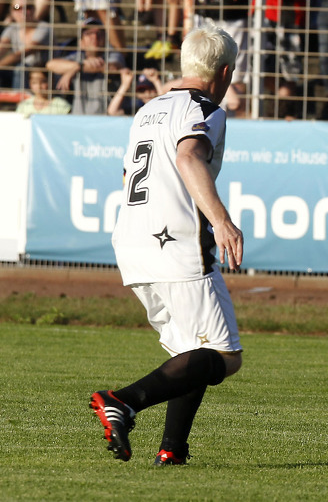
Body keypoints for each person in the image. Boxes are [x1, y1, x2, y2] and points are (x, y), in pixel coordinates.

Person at [91, 24, 244, 466]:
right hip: (175, 244)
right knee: (224, 356)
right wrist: (222, 221)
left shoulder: (148, 109)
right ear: (225, 70)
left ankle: (172, 449)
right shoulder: (206, 107)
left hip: (133, 241)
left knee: (190, 351)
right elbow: (187, 155)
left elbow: (126, 177)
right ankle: (124, 400)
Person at [46, 17, 127, 115]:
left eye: (99, 33)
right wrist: (79, 66)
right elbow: (51, 64)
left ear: (105, 39)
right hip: (78, 118)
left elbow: (113, 68)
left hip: (106, 118)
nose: (95, 37)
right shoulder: (77, 58)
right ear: (81, 42)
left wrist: (77, 68)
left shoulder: (113, 55)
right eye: (89, 33)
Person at [0, 0, 51, 88]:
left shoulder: (44, 28)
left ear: (34, 9)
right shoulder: (12, 29)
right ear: (11, 12)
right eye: (17, 8)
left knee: (21, 69)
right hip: (21, 72)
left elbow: (24, 53)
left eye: (28, 7)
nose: (23, 12)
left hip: (42, 73)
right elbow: (1, 48)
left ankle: (21, 102)